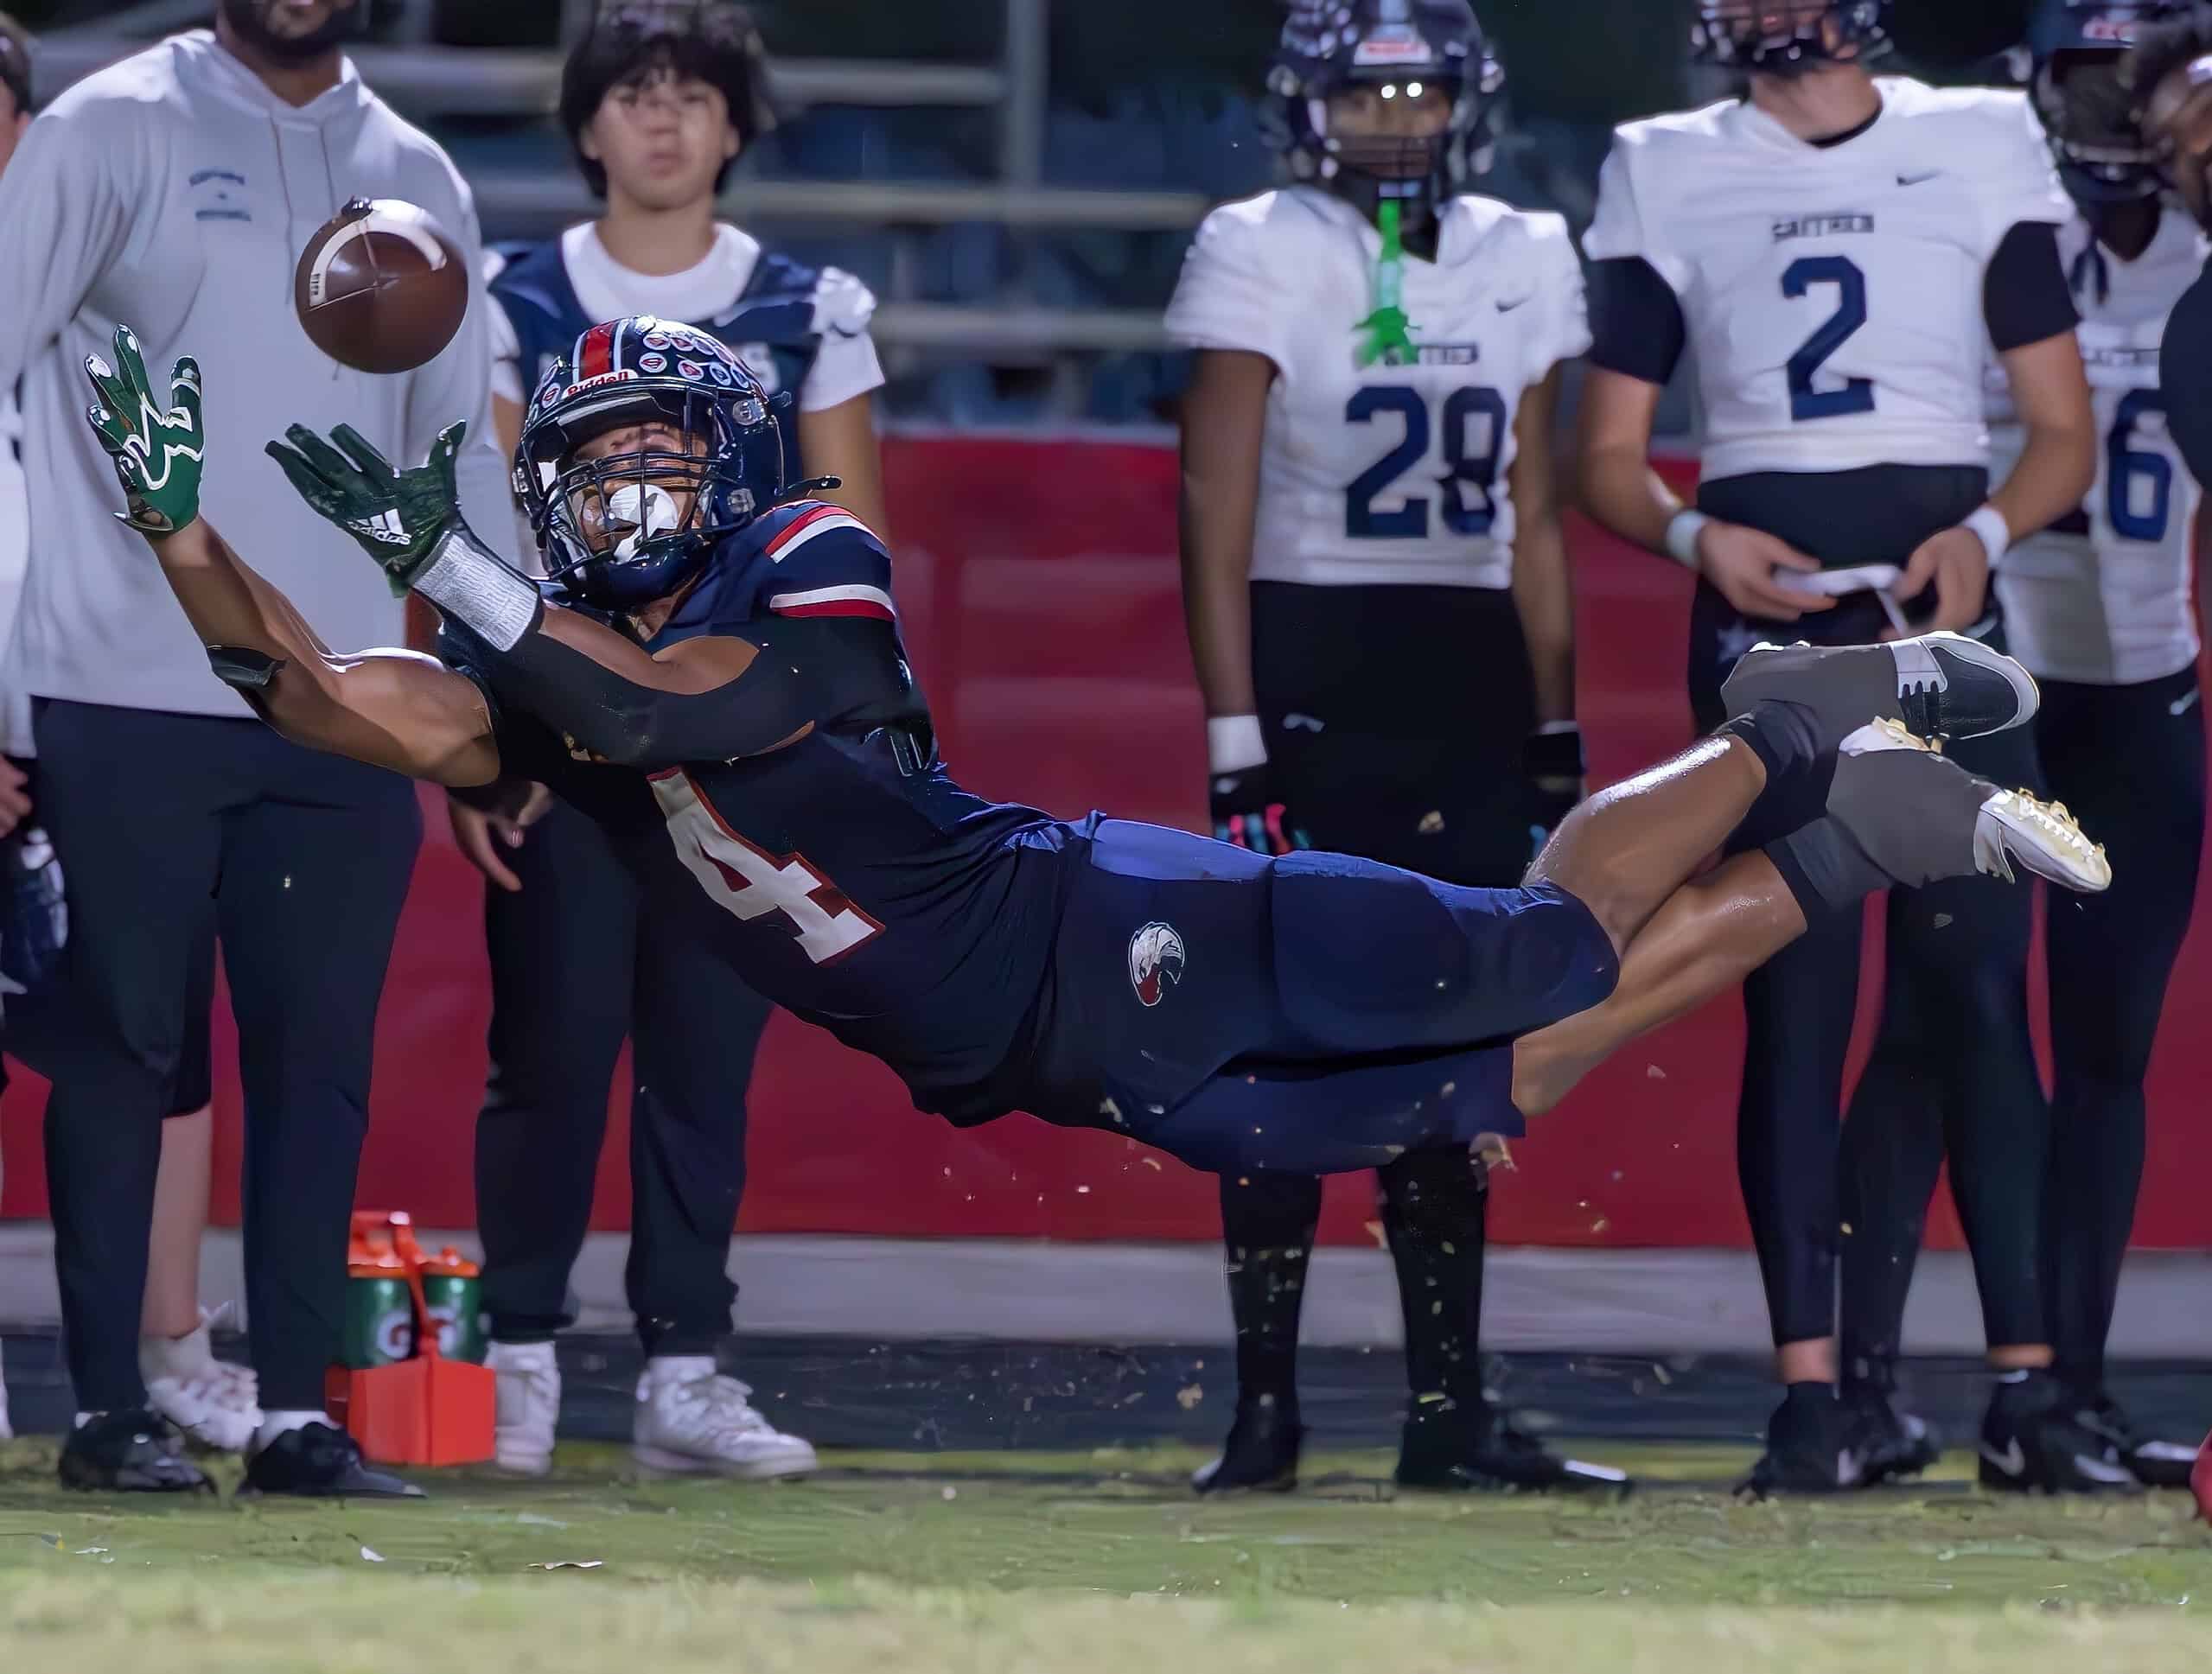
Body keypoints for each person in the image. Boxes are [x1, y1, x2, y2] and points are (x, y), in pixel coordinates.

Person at [77, 323, 2111, 1365]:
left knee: (1538, 951)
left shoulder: (807, 557)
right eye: (585, 471)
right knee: (1490, 1086)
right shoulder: (548, 668)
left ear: (732, 468)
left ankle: (1801, 713)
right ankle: (1875, 836)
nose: (615, 500)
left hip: (1119, 928)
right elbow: (331, 703)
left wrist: (448, 556)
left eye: (649, 460)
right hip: (1062, 1053)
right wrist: (188, 540)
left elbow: (662, 711)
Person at [1577, 0, 2101, 1492]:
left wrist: (1984, 531)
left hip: (1941, 613)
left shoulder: (1981, 136)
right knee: (1795, 1005)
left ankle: (2025, 1384)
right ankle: (1813, 1393)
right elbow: (1604, 459)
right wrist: (1696, 535)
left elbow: (2057, 429)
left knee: (1981, 988)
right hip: (1774, 618)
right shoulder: (1666, 161)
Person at [0, 0, 516, 1495]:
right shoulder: (107, 128)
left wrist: (494, 689)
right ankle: (108, 1411)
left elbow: (457, 457)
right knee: (116, 1059)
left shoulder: (420, 169)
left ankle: (296, 1411)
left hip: (346, 701)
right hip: (118, 686)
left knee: (318, 1064)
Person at [1167, 0, 1616, 1494]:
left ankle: (1447, 1413)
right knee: (1281, 1031)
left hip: (1469, 666)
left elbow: (1537, 521)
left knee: (1450, 1040)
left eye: (1422, 88)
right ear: (1312, 106)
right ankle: (1264, 1410)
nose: (1397, 118)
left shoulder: (1526, 248)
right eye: (1368, 93)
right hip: (1314, 649)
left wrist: (1554, 719)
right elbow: (1212, 509)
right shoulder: (1259, 240)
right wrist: (1236, 736)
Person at [469, 0, 860, 1482]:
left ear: (736, 127)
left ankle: (685, 1366)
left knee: (704, 1063)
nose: (662, 119)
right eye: (633, 93)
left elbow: (841, 538)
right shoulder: (512, 296)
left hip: (737, 752)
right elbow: (488, 544)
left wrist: (831, 742)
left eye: (693, 95)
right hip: (567, 742)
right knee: (549, 1054)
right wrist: (490, 746)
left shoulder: (806, 304)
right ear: (585, 125)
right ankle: (517, 1356)